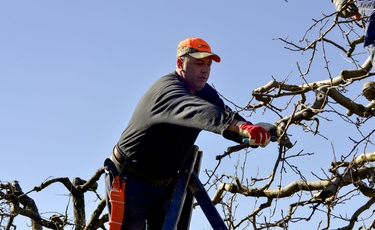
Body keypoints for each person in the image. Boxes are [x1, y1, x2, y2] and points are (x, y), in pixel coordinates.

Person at [104, 37, 272, 229]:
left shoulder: (203, 91)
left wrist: (251, 129)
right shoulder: (168, 89)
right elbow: (199, 110)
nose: (206, 69)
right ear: (180, 63)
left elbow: (224, 114)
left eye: (209, 65)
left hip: (164, 184)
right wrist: (239, 127)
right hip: (130, 180)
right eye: (199, 63)